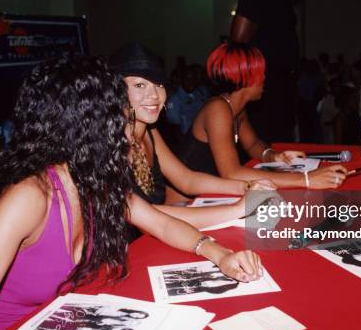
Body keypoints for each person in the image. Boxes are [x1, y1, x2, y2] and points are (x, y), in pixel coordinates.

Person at [0, 55, 264, 330]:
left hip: (65, 328)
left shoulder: (95, 179)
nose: (124, 128)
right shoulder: (28, 197)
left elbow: (161, 223)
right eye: (114, 116)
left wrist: (218, 254)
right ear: (85, 128)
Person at [109, 42, 275, 225]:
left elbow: (186, 179)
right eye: (140, 85)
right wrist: (237, 209)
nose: (155, 95)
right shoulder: (105, 143)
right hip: (124, 247)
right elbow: (146, 214)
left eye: (159, 84)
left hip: (160, 232)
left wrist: (247, 186)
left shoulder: (149, 132)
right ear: (115, 91)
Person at [176, 42, 347, 189]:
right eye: (261, 72)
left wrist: (274, 156)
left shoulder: (236, 108)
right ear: (247, 77)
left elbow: (252, 145)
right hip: (184, 203)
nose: (264, 77)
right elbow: (232, 172)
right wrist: (306, 179)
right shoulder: (218, 109)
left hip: (209, 192)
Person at [230, 0, 306, 143]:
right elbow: (237, 41)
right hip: (263, 89)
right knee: (266, 142)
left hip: (279, 87)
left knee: (280, 145)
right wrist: (252, 80)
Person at [166, 63, 210, 134]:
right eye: (187, 78)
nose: (191, 81)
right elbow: (174, 130)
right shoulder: (175, 100)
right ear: (181, 80)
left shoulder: (200, 93)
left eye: (193, 78)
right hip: (186, 139)